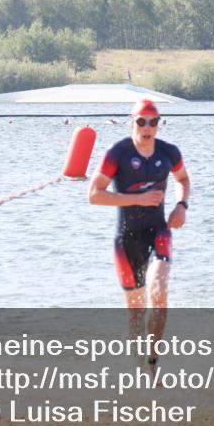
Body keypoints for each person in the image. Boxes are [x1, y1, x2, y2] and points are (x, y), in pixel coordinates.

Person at [88, 99, 190, 365]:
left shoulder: (168, 152)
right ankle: (137, 367)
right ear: (131, 122)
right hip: (126, 238)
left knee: (158, 289)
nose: (147, 128)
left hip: (158, 232)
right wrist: (138, 200)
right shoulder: (118, 153)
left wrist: (181, 206)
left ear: (158, 124)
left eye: (153, 122)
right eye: (141, 122)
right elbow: (94, 195)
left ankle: (152, 360)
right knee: (135, 311)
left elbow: (182, 179)